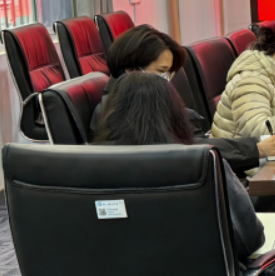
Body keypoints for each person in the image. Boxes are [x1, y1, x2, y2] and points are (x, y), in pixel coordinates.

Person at [93, 73, 265, 271]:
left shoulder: (84, 167)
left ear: (111, 112)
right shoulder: (204, 162)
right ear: (176, 114)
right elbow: (249, 239)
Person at [90, 25, 275, 174]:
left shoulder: (139, 100)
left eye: (169, 73)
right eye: (161, 71)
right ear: (132, 69)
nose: (166, 80)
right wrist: (255, 150)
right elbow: (183, 151)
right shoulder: (121, 111)